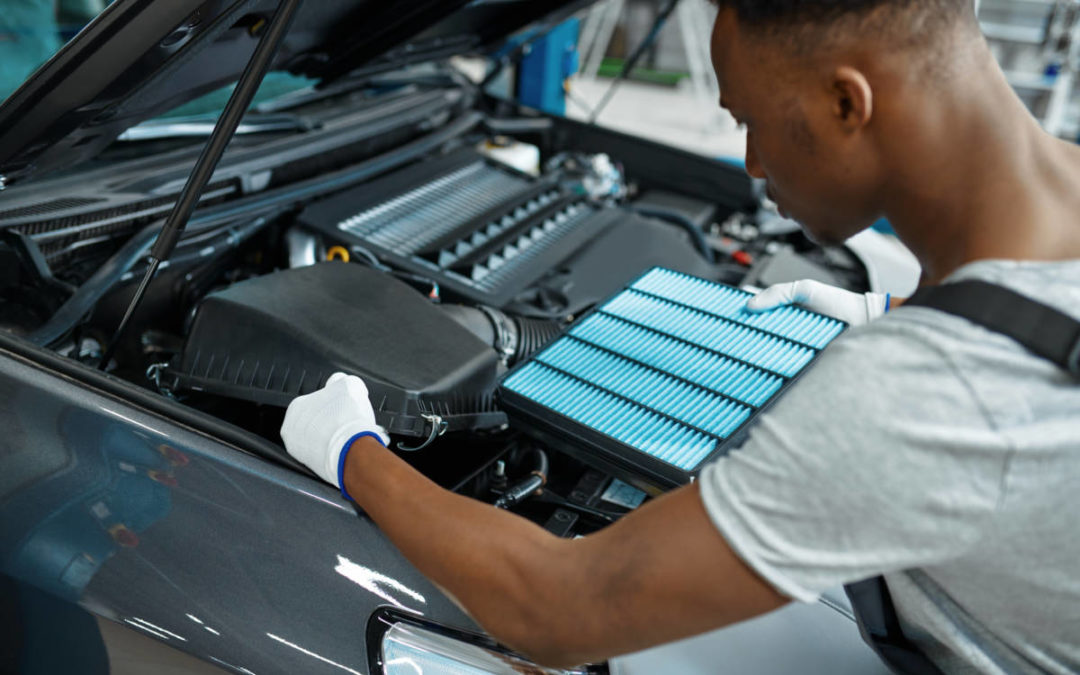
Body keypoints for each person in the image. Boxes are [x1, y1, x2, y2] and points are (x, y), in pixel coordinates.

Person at [280, 1, 1080, 672]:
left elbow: (555, 605)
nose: (751, 163)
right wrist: (891, 312)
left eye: (754, 123)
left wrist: (350, 449)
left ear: (848, 102)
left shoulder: (927, 389)